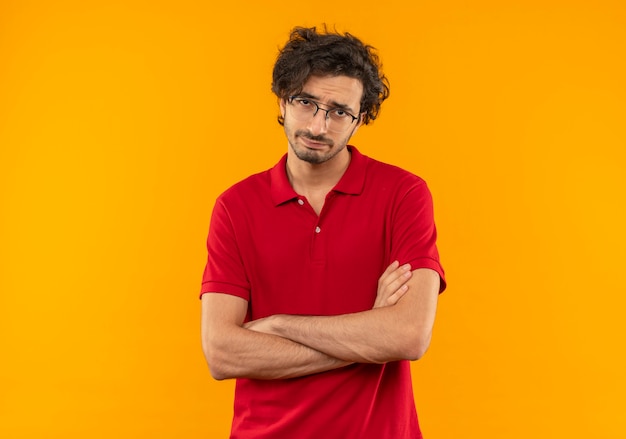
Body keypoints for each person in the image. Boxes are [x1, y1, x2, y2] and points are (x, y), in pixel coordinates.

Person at [200, 25, 446, 439]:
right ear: (282, 100)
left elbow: (408, 335)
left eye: (339, 112)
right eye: (306, 102)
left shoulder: (404, 194)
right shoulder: (235, 207)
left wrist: (277, 325)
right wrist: (369, 331)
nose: (318, 126)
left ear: (361, 118)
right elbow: (222, 353)